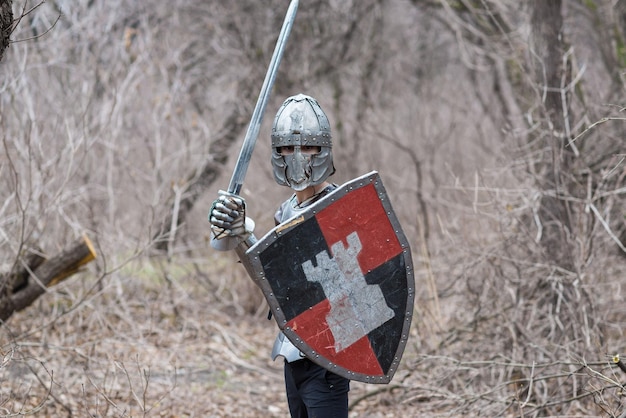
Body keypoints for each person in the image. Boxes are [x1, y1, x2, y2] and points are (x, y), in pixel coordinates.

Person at [208, 94, 350, 418]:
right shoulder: (285, 211)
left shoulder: (340, 208)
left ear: (323, 150)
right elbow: (274, 283)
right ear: (277, 153)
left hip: (328, 355)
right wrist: (242, 236)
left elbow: (315, 281)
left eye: (307, 147)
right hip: (293, 352)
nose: (297, 156)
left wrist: (251, 235)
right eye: (287, 148)